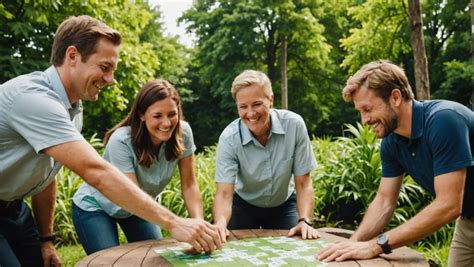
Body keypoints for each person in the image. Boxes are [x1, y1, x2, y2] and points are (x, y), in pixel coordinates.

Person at [0, 15, 220, 267]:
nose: (110, 79)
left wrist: (47, 239)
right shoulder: (34, 99)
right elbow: (97, 172)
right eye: (104, 67)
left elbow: (47, 176)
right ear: (72, 56)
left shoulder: (72, 109)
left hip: (14, 210)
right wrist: (174, 223)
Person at [317, 60, 473, 266]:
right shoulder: (391, 141)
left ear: (395, 97)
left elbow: (449, 204)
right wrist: (352, 245)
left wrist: (376, 245)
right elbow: (384, 201)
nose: (364, 120)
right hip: (469, 221)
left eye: (368, 109)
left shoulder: (444, 121)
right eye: (360, 112)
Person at [72, 79, 204, 254]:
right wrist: (175, 224)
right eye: (157, 116)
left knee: (157, 259)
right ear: (141, 115)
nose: (166, 123)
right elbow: (130, 194)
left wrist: (199, 226)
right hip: (97, 206)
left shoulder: (183, 132)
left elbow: (189, 184)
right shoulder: (121, 141)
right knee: (111, 263)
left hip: (140, 206)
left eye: (172, 114)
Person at [212, 70, 320, 242]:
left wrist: (305, 220)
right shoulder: (229, 138)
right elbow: (224, 193)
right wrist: (220, 223)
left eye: (256, 104)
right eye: (243, 107)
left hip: (284, 205)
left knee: (296, 247)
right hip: (243, 205)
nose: (251, 113)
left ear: (271, 100)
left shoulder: (294, 125)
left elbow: (303, 182)